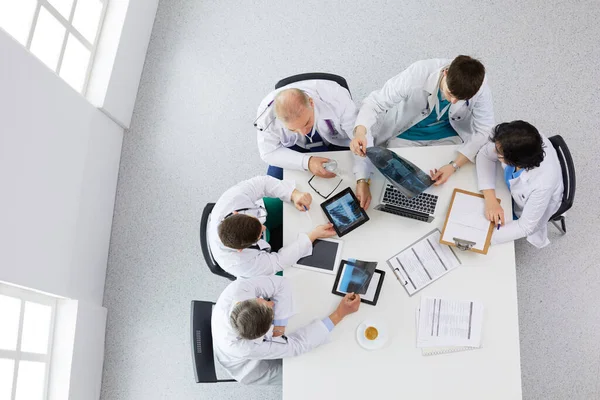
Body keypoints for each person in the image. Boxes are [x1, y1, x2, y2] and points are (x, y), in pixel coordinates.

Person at [350, 55, 495, 187]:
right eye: (450, 94)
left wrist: (454, 166)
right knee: (397, 182)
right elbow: (375, 102)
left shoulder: (479, 87)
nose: (454, 101)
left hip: (448, 135)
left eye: (461, 99)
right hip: (406, 134)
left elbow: (485, 129)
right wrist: (360, 132)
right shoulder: (418, 73)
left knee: (446, 186)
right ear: (445, 73)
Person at [211, 275, 361, 384]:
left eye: (264, 301)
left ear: (249, 301)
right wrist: (339, 314)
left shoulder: (238, 289)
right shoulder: (244, 348)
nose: (271, 304)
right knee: (298, 376)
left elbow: (281, 284)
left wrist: (280, 327)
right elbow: (296, 346)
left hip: (231, 333)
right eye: (271, 314)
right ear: (263, 335)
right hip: (246, 367)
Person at [255, 79, 374, 208]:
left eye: (306, 123)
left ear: (311, 102)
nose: (302, 132)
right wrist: (307, 162)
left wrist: (363, 179)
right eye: (293, 129)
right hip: (294, 149)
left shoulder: (336, 97)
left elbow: (360, 137)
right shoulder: (266, 117)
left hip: (334, 140)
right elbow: (268, 153)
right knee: (272, 198)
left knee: (350, 180)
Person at [207, 176, 336, 278]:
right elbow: (278, 262)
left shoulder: (231, 201)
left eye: (257, 222)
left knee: (292, 202)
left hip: (262, 211)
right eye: (259, 235)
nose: (264, 229)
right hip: (262, 261)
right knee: (296, 272)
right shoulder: (241, 264)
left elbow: (262, 184)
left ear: (236, 213)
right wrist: (312, 236)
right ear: (241, 250)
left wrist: (293, 194)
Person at [477, 121, 564, 248]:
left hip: (531, 207)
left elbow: (525, 227)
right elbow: (485, 154)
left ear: (514, 161)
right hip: (507, 191)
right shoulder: (522, 138)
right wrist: (490, 199)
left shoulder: (542, 184)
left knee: (484, 226)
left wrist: (483, 237)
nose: (494, 151)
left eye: (498, 152)